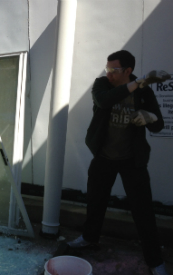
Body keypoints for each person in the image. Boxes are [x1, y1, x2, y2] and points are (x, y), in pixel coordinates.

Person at [68, 50, 170, 275]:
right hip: (103, 157)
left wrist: (149, 118)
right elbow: (103, 101)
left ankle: (154, 260)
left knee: (143, 210)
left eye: (114, 70)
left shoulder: (143, 93)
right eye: (107, 68)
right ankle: (89, 238)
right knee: (95, 201)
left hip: (132, 160)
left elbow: (158, 125)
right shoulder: (102, 84)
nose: (109, 73)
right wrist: (137, 84)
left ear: (128, 71)